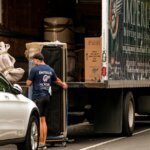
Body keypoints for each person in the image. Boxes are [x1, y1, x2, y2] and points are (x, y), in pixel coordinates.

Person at [26, 53, 68, 149]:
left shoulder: (35, 69)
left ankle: (41, 143)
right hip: (47, 97)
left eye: (34, 60)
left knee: (39, 120)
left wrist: (31, 80)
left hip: (38, 97)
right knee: (43, 120)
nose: (33, 62)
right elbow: (56, 80)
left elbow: (28, 83)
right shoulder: (50, 69)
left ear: (37, 60)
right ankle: (43, 143)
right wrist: (63, 84)